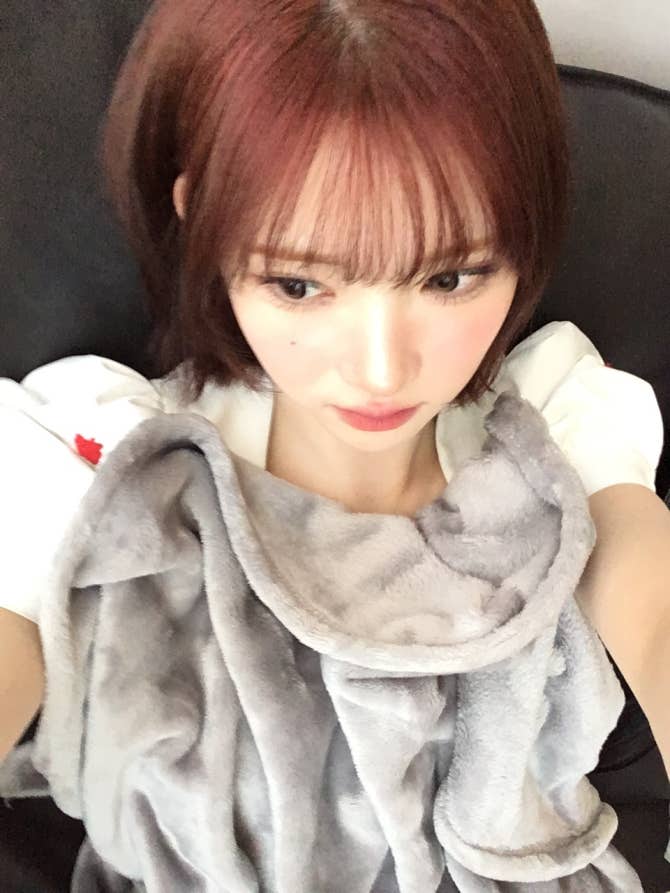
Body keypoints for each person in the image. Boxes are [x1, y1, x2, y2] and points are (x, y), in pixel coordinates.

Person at [0, 0, 668, 887]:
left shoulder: (550, 428)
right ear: (202, 218)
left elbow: (651, 608)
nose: (381, 370)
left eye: (449, 277)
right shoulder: (112, 449)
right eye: (299, 284)